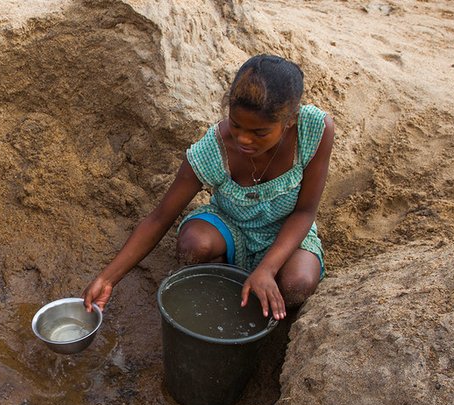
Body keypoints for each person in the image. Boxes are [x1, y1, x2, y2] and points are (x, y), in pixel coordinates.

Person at [83, 55, 335, 321]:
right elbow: (160, 217)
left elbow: (305, 212)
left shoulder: (314, 130)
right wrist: (107, 278)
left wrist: (267, 269)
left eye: (260, 132)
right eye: (236, 125)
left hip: (286, 231)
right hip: (231, 224)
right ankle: (220, 291)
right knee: (194, 245)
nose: (244, 139)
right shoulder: (214, 149)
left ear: (289, 120)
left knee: (297, 285)